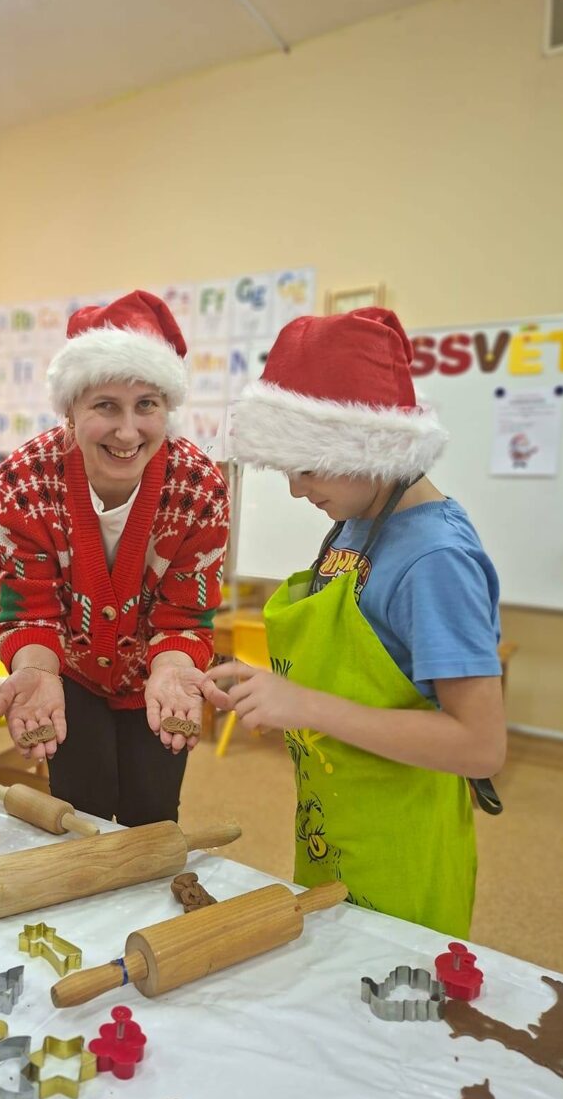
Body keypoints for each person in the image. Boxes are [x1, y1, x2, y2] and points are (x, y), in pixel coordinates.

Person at [202, 307, 506, 937]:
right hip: (335, 821)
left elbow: (480, 744)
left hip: (400, 845)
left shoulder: (436, 560)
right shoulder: (357, 523)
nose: (296, 490)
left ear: (370, 445)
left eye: (308, 467)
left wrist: (306, 705)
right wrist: (268, 688)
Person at [0, 290, 229, 826]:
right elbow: (29, 608)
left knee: (153, 814)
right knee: (81, 812)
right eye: (105, 406)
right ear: (70, 411)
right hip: (66, 673)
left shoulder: (198, 486)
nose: (127, 431)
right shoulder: (25, 480)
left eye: (147, 405)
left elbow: (184, 614)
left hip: (161, 676)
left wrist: (173, 668)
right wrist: (35, 669)